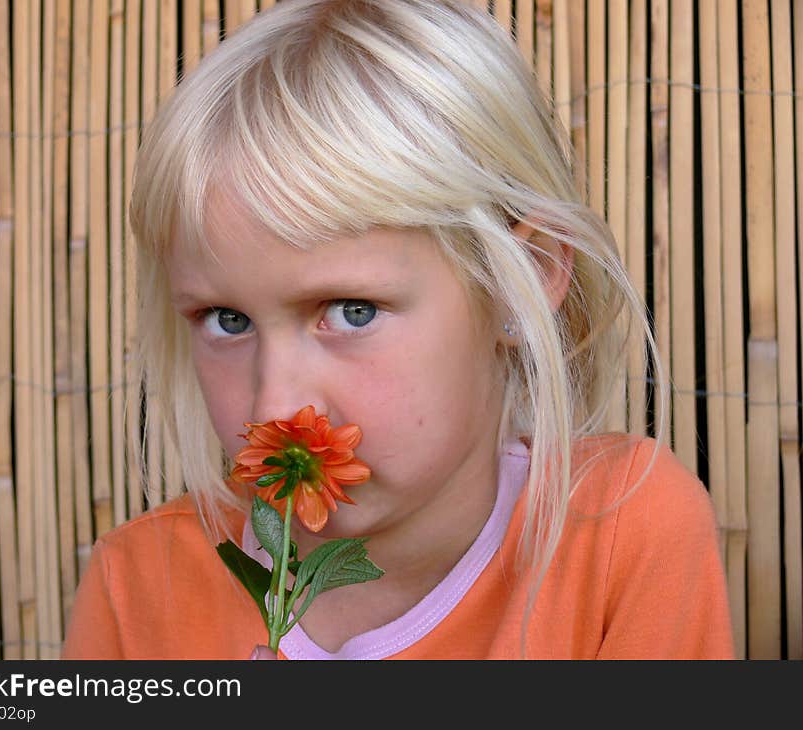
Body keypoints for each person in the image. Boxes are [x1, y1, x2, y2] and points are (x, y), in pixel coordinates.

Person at [61, 0, 734, 660]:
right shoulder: (138, 586)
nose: (275, 409)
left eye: (352, 311)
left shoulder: (620, 536)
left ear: (517, 279)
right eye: (227, 321)